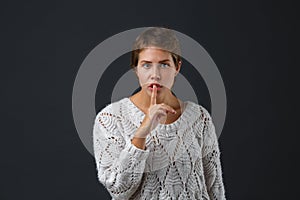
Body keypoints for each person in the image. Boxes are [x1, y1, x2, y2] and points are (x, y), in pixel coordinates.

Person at [93, 27, 226, 200]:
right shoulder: (111, 118)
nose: (155, 75)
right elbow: (118, 189)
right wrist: (142, 132)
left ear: (177, 67)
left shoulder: (199, 118)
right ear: (136, 68)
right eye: (146, 65)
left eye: (164, 64)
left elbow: (215, 188)